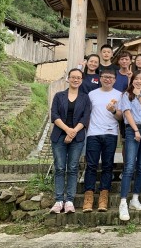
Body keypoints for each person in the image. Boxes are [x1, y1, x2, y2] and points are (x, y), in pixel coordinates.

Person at [49, 68, 91, 214]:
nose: (75, 80)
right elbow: (54, 115)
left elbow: (85, 118)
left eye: (78, 77)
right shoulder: (59, 96)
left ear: (82, 80)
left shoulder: (85, 98)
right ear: (68, 78)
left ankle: (70, 201)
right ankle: (59, 200)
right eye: (73, 77)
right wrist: (68, 130)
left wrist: (73, 132)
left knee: (73, 168)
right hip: (59, 135)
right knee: (60, 167)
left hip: (77, 136)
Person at [82, 69, 123, 213]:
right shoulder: (92, 94)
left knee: (107, 166)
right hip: (93, 134)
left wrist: (113, 110)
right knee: (91, 166)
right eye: (105, 77)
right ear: (100, 78)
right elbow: (86, 113)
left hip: (111, 134)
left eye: (111, 77)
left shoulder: (119, 95)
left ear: (115, 80)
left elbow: (121, 117)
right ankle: (88, 197)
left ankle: (103, 197)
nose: (108, 79)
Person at [117, 71, 141, 221]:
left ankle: (135, 199)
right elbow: (127, 113)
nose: (139, 81)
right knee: (130, 166)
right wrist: (136, 130)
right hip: (133, 131)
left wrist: (140, 96)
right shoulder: (126, 95)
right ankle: (123, 202)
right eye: (136, 79)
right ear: (132, 80)